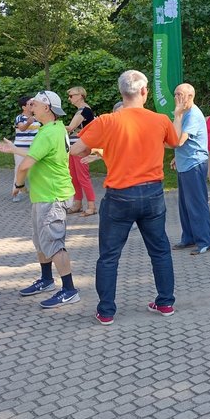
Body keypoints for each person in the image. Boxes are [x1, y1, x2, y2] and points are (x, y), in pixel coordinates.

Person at [71, 70, 180, 325]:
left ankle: (106, 311)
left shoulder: (107, 121)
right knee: (160, 250)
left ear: (121, 93)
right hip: (153, 193)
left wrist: (99, 146)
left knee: (109, 256)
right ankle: (165, 303)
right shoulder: (160, 119)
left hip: (119, 196)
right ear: (144, 92)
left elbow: (76, 149)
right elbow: (174, 142)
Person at [0, 91, 79, 309]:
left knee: (54, 243)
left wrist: (18, 185)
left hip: (52, 195)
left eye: (36, 104)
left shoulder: (48, 133)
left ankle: (69, 290)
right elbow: (36, 155)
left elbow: (24, 166)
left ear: (47, 108)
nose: (31, 107)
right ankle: (47, 280)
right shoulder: (53, 128)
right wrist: (13, 148)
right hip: (43, 195)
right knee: (41, 240)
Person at [168, 84, 210, 255]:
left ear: (190, 96)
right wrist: (176, 157)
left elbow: (177, 140)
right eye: (175, 94)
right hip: (184, 164)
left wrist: (177, 115)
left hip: (194, 164)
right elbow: (183, 144)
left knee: (196, 204)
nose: (177, 98)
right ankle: (189, 238)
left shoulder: (192, 114)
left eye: (180, 94)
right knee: (185, 205)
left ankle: (205, 241)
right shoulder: (185, 113)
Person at [65, 86, 97, 216]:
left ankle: (92, 206)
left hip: (81, 148)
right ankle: (77, 204)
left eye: (71, 95)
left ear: (80, 95)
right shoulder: (80, 110)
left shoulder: (84, 110)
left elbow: (71, 127)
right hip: (74, 147)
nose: (69, 98)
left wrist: (52, 125)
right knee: (74, 177)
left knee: (83, 177)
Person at [12, 96, 40, 201]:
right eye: (30, 104)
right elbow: (22, 128)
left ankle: (36, 191)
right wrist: (28, 122)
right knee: (19, 169)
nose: (33, 105)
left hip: (34, 148)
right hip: (20, 149)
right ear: (24, 107)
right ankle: (16, 192)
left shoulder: (38, 118)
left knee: (36, 170)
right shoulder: (19, 117)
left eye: (33, 103)